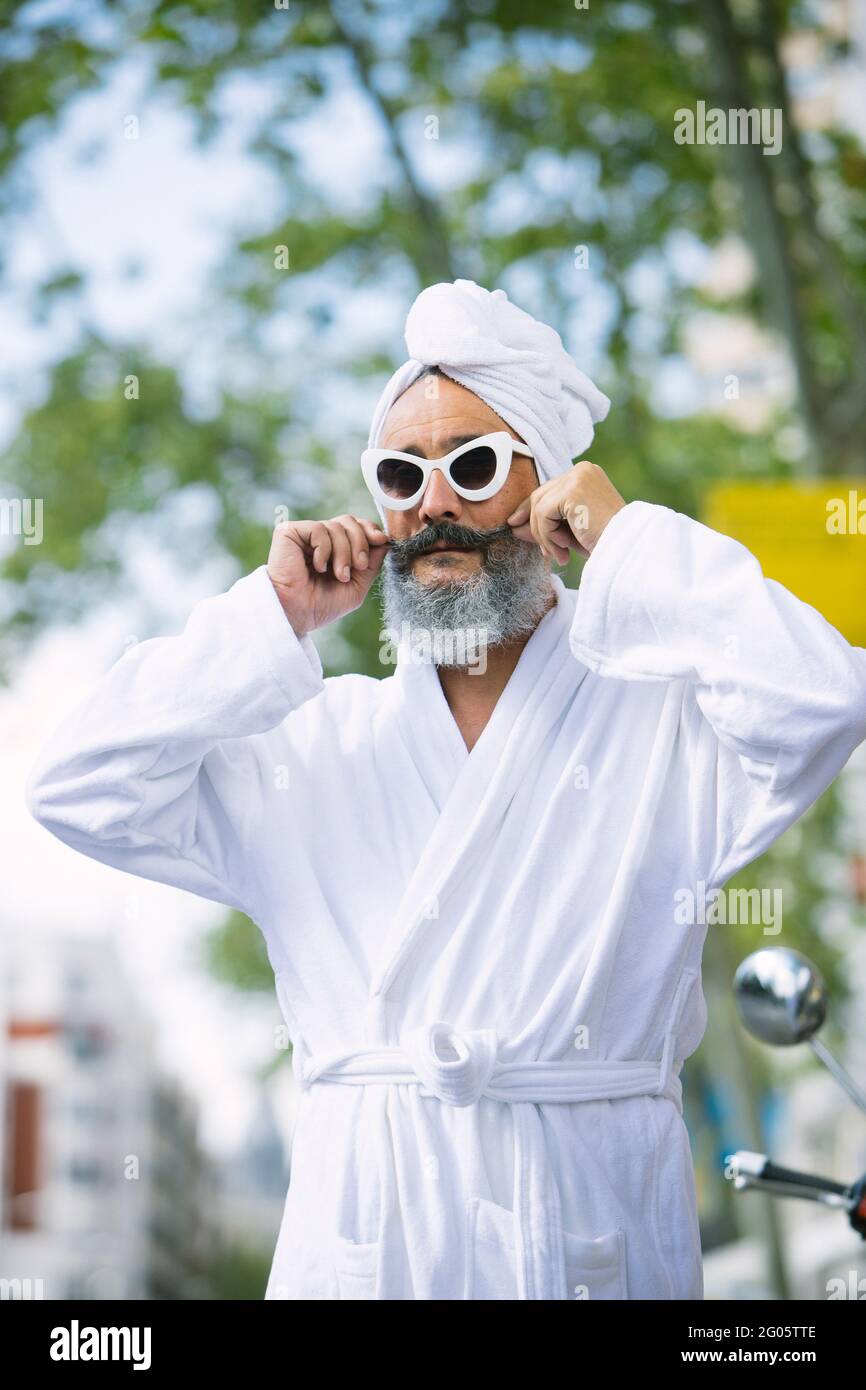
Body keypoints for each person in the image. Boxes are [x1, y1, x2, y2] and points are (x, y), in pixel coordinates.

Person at [26, 279, 866, 1300]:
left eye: (473, 467)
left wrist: (638, 545)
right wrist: (269, 618)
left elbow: (822, 698)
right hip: (366, 1248)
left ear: (549, 488)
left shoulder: (664, 726)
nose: (433, 505)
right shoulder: (313, 741)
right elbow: (76, 784)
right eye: (400, 473)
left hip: (588, 1238)